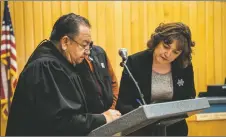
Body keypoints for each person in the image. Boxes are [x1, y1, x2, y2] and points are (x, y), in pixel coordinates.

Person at [6, 13, 121, 136]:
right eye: (84, 45)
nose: (88, 52)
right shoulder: (47, 67)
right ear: (65, 42)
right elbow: (63, 121)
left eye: (90, 45)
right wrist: (103, 118)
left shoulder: (60, 63)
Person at [116, 22, 196, 136]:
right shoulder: (135, 62)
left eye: (175, 52)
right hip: (140, 131)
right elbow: (123, 104)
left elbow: (190, 97)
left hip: (174, 131)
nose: (168, 54)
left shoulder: (183, 66)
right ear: (157, 41)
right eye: (166, 46)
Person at [74, 45, 119, 114]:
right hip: (89, 118)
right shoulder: (72, 58)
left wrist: (112, 108)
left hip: (110, 113)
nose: (88, 51)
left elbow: (113, 82)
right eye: (83, 44)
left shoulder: (99, 52)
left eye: (89, 44)